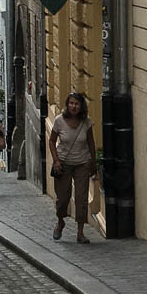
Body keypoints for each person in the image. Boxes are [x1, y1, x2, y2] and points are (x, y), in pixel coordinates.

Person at [49, 91, 98, 244]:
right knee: (63, 199)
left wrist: (93, 161)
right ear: (67, 104)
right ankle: (60, 221)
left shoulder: (86, 122)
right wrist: (56, 160)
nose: (73, 106)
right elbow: (52, 141)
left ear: (81, 106)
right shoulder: (59, 121)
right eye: (71, 103)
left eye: (76, 104)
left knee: (81, 199)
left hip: (82, 163)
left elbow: (91, 142)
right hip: (63, 164)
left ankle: (80, 232)